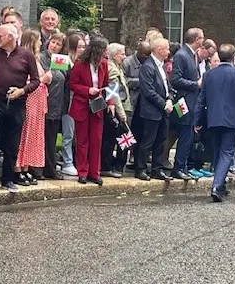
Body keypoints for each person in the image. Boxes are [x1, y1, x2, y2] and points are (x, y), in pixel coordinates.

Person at [0, 23, 40, 194]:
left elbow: (36, 80)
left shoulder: (26, 55)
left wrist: (22, 90)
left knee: (12, 143)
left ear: (10, 37)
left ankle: (7, 179)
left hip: (16, 103)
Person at [194, 44, 235, 202]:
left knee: (219, 152)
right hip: (233, 120)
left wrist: (197, 120)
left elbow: (201, 100)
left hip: (213, 118)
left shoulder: (208, 75)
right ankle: (217, 185)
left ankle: (222, 184)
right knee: (227, 153)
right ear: (234, 56)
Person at [69, 36, 112, 185]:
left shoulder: (104, 64)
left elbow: (107, 85)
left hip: (97, 106)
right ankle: (82, 172)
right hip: (82, 104)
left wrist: (110, 102)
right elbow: (73, 85)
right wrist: (88, 90)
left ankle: (95, 172)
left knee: (96, 140)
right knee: (82, 141)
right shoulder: (80, 64)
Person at [134, 37, 174, 182]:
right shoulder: (148, 67)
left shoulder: (161, 66)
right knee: (148, 141)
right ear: (159, 50)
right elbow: (148, 91)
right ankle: (141, 168)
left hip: (163, 110)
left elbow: (167, 87)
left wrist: (170, 99)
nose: (169, 51)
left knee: (161, 141)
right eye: (167, 49)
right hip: (151, 111)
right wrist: (164, 104)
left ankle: (157, 168)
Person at [14, 30, 51, 185]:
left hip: (39, 101)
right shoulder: (24, 58)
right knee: (25, 134)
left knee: (33, 135)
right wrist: (44, 78)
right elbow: (28, 80)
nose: (41, 43)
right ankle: (17, 168)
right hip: (30, 100)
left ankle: (26, 168)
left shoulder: (36, 59)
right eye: (38, 41)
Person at [170, 29, 202, 180]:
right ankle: (178, 167)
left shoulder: (192, 55)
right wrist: (196, 84)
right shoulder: (182, 55)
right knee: (184, 136)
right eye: (202, 38)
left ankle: (182, 166)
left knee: (188, 136)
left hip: (191, 101)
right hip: (184, 102)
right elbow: (175, 79)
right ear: (196, 39)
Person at [100, 43, 131, 177]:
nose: (124, 57)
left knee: (124, 139)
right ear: (114, 55)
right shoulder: (112, 69)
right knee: (121, 139)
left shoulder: (117, 67)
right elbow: (114, 93)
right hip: (118, 111)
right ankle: (115, 165)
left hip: (121, 109)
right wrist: (122, 114)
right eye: (122, 54)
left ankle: (117, 164)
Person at [39, 32, 67, 180]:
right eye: (53, 42)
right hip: (45, 103)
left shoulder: (61, 60)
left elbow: (64, 78)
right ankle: (43, 168)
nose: (54, 46)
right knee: (44, 138)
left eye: (58, 44)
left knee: (51, 138)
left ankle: (50, 167)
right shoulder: (42, 57)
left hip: (57, 105)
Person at [59, 33, 86, 177]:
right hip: (67, 101)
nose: (82, 49)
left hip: (80, 102)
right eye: (79, 46)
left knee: (78, 134)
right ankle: (67, 162)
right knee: (68, 133)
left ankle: (77, 161)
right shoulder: (65, 61)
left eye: (83, 46)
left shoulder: (84, 63)